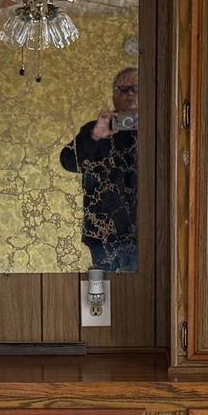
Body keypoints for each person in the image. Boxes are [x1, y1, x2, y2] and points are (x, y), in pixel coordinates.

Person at [59, 65, 140, 273]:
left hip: (147, 233)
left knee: (143, 295)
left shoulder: (158, 129)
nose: (130, 94)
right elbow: (68, 162)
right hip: (104, 237)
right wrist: (94, 136)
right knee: (107, 297)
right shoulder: (96, 129)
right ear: (114, 94)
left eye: (137, 89)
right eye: (123, 89)